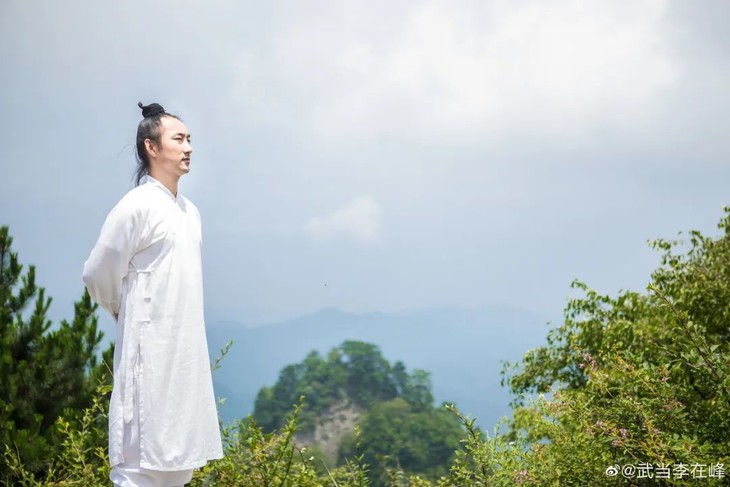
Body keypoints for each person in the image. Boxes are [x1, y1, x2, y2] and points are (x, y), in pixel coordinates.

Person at [83, 102, 223, 486]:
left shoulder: (190, 212)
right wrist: (122, 310)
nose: (188, 147)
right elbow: (97, 272)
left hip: (184, 353)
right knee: (137, 466)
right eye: (178, 139)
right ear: (151, 147)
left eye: (189, 139)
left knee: (179, 463)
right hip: (148, 353)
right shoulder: (136, 206)